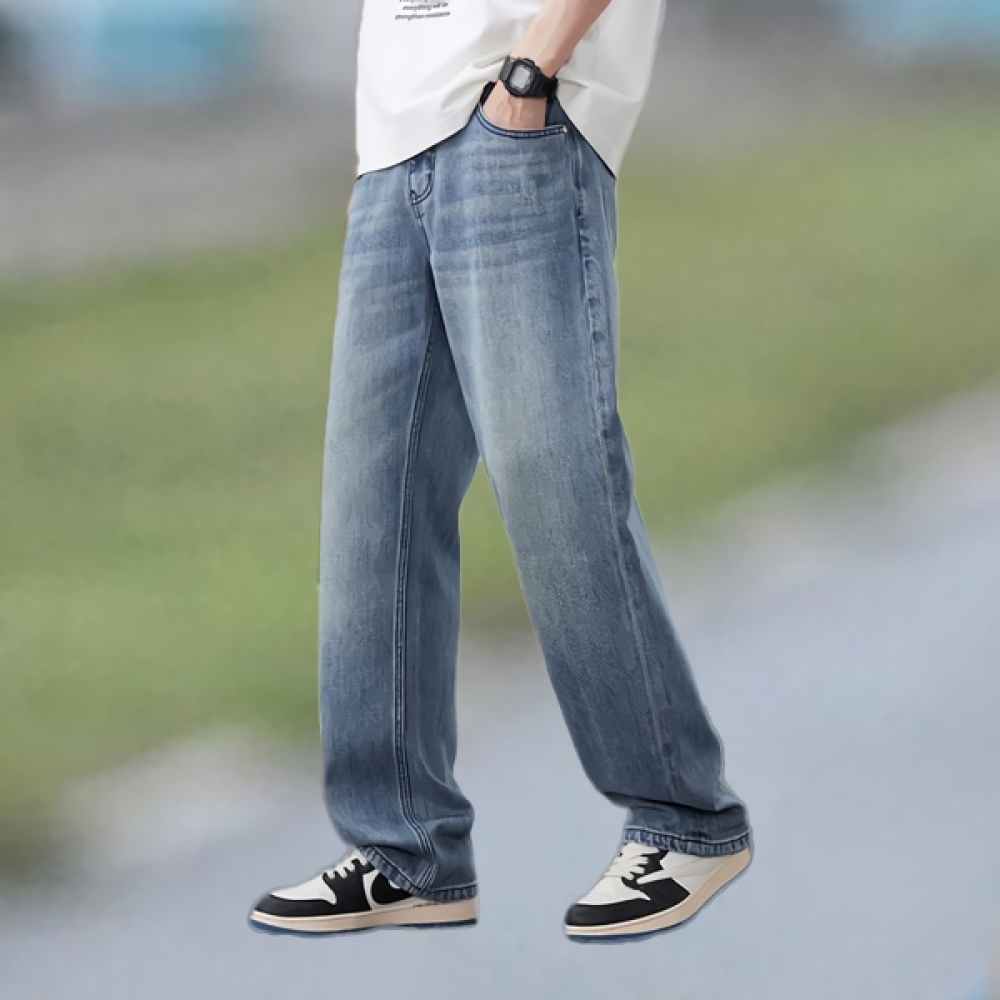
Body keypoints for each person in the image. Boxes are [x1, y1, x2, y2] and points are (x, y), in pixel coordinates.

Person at [249, 0, 753, 943]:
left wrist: (531, 72)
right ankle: (404, 850)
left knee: (553, 480)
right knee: (372, 510)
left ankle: (686, 821)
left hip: (521, 116)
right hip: (394, 145)